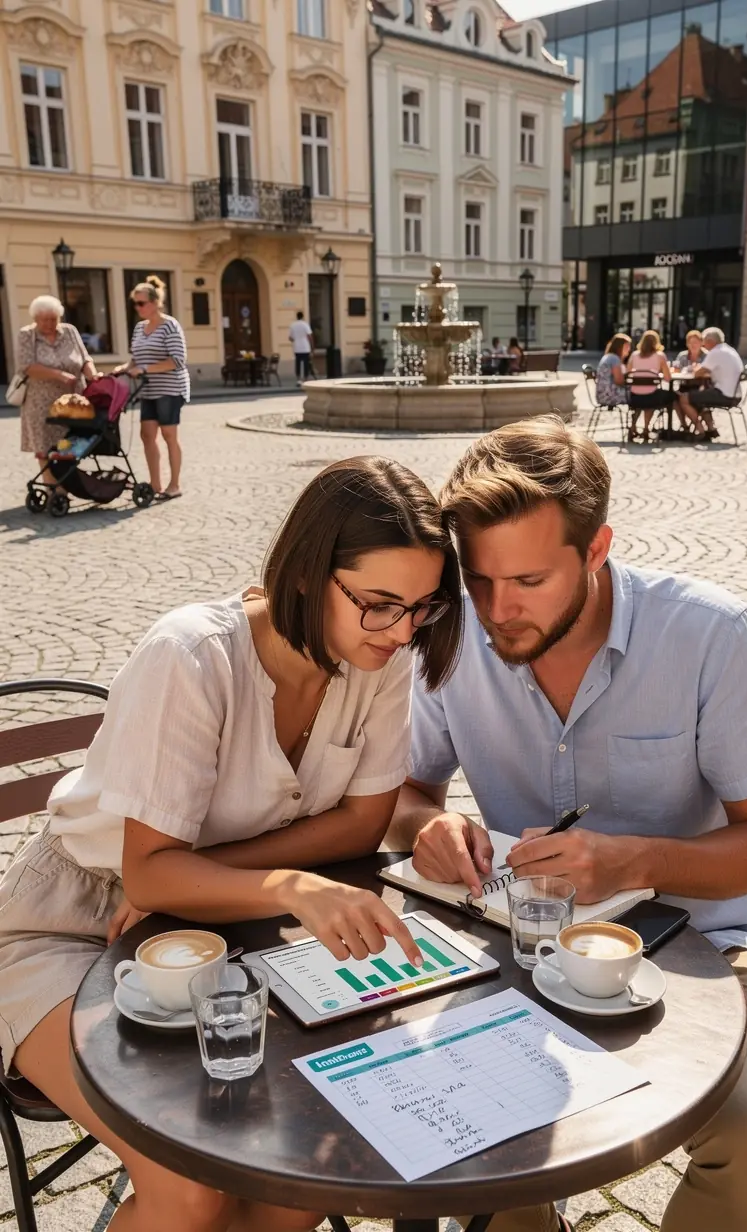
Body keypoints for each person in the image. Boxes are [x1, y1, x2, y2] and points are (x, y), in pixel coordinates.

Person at [0, 456, 462, 1232]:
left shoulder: (376, 656)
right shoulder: (194, 656)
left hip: (222, 930)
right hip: (66, 928)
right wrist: (284, 885)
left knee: (317, 1152)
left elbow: (362, 823)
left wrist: (190, 881)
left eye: (424, 607)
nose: (405, 629)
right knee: (191, 1189)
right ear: (312, 573)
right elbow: (144, 871)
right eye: (381, 604)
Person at [388, 417, 747, 1232]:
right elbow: (408, 794)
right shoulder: (454, 634)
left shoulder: (711, 634)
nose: (496, 610)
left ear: (596, 550)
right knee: (445, 1111)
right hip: (511, 952)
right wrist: (426, 830)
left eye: (528, 581)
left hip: (710, 955)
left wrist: (629, 862)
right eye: (477, 580)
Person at [115, 276, 189, 501]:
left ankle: (174, 484)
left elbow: (177, 360)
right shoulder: (139, 328)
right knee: (147, 435)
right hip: (147, 390)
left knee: (168, 435)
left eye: (141, 303)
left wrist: (145, 369)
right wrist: (124, 368)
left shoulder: (170, 325)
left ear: (155, 302)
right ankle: (155, 483)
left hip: (170, 388)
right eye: (135, 303)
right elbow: (136, 358)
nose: (138, 308)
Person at [16, 294, 98, 490]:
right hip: (40, 401)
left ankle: (68, 483)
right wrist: (59, 375)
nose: (50, 323)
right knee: (44, 446)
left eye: (54, 319)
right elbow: (26, 366)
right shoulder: (27, 335)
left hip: (73, 402)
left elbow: (85, 358)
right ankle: (52, 487)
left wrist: (93, 375)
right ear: (35, 319)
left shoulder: (69, 331)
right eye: (45, 319)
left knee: (68, 445)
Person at [676, 327, 744, 441]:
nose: (703, 344)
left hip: (724, 394)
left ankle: (700, 430)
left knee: (683, 399)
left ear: (710, 341)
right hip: (735, 394)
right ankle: (710, 429)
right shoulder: (729, 349)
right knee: (700, 395)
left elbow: (698, 373)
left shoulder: (715, 352)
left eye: (704, 341)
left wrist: (695, 369)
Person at [625, 329, 678, 443]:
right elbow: (668, 378)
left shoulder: (634, 355)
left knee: (640, 403)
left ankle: (633, 425)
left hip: (634, 396)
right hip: (652, 396)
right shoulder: (660, 356)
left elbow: (628, 373)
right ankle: (646, 428)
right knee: (667, 397)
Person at [595, 333, 630, 414]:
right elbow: (619, 381)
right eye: (627, 346)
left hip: (602, 395)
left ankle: (633, 423)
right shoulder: (614, 359)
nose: (629, 349)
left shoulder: (608, 356)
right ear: (620, 347)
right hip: (610, 395)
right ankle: (634, 423)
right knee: (639, 396)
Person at [289, 311, 313, 385]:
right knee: (306, 364)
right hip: (305, 347)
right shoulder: (305, 325)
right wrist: (312, 346)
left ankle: (298, 379)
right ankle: (305, 379)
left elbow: (291, 338)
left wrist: (296, 338)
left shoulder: (293, 325)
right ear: (302, 317)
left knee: (298, 363)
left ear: (297, 316)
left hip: (297, 347)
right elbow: (309, 336)